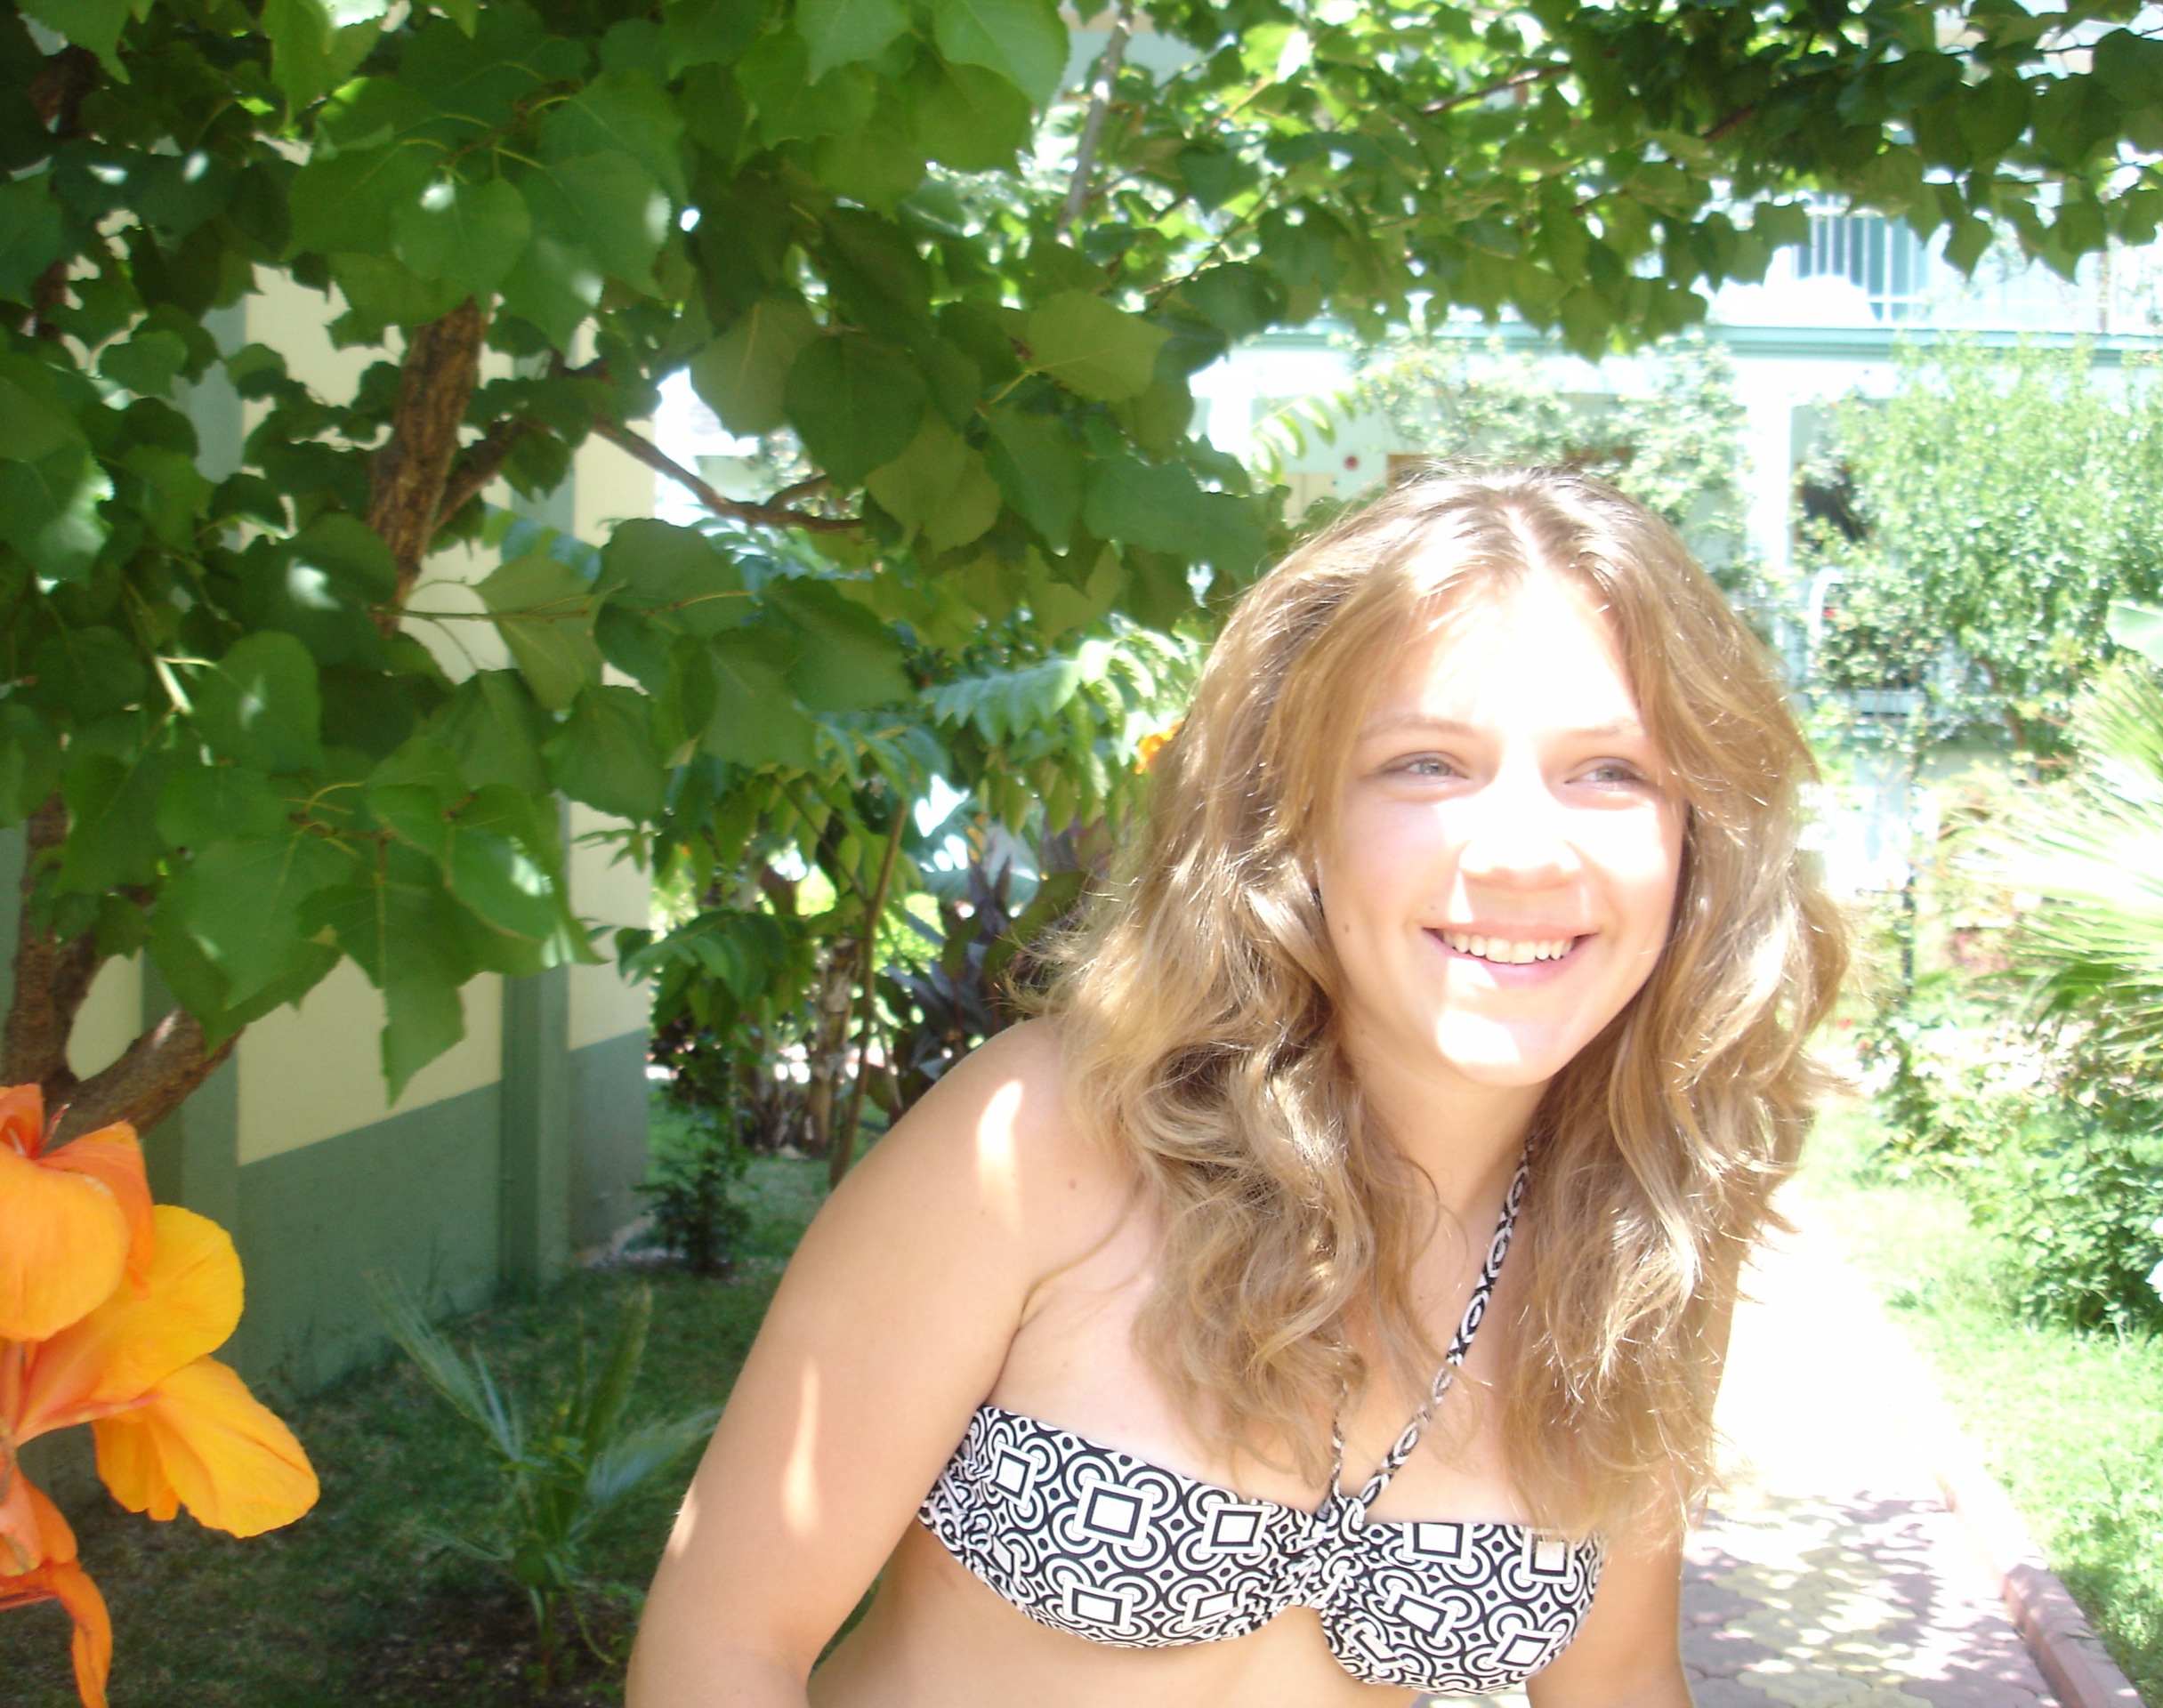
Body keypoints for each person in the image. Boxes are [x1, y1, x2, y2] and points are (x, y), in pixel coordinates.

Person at [625, 465, 1847, 1708]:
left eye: (1613, 773)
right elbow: (724, 1645)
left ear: (1699, 837)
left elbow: (1620, 1680)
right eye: (1428, 763)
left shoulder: (1635, 1236)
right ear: (1293, 815)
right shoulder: (1043, 1134)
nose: (1525, 852)